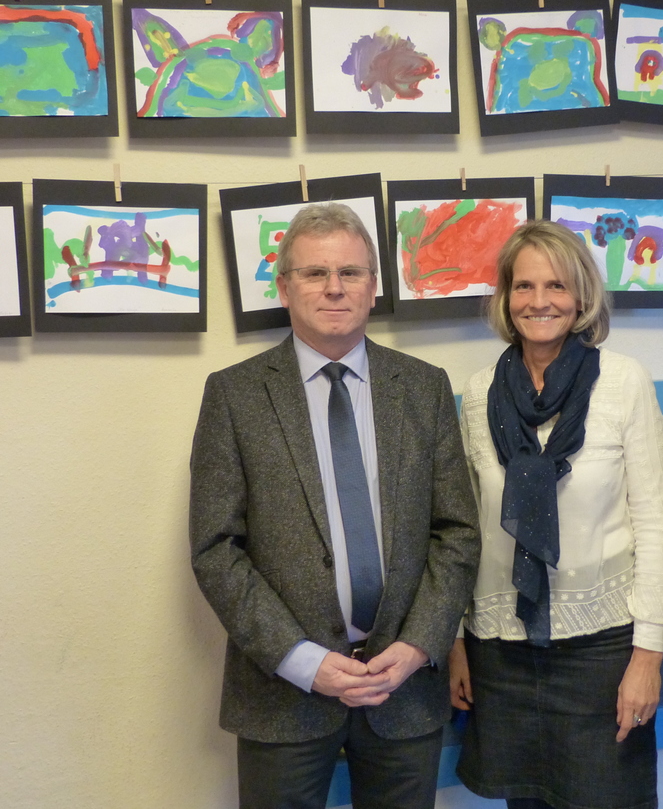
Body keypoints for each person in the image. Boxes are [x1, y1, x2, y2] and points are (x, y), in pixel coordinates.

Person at [189, 203, 480, 809]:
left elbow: (456, 532)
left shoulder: (423, 388)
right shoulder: (235, 395)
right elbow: (217, 550)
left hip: (403, 687)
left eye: (351, 272)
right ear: (284, 285)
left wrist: (421, 643)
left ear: (373, 286)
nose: (333, 288)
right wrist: (300, 660)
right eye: (314, 273)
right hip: (283, 693)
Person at [449, 219, 663, 809]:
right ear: (505, 298)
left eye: (555, 286)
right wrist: (455, 642)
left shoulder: (625, 383)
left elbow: (656, 527)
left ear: (581, 297)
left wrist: (649, 657)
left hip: (602, 651)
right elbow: (463, 529)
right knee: (525, 801)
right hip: (501, 645)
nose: (538, 301)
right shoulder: (478, 394)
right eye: (523, 287)